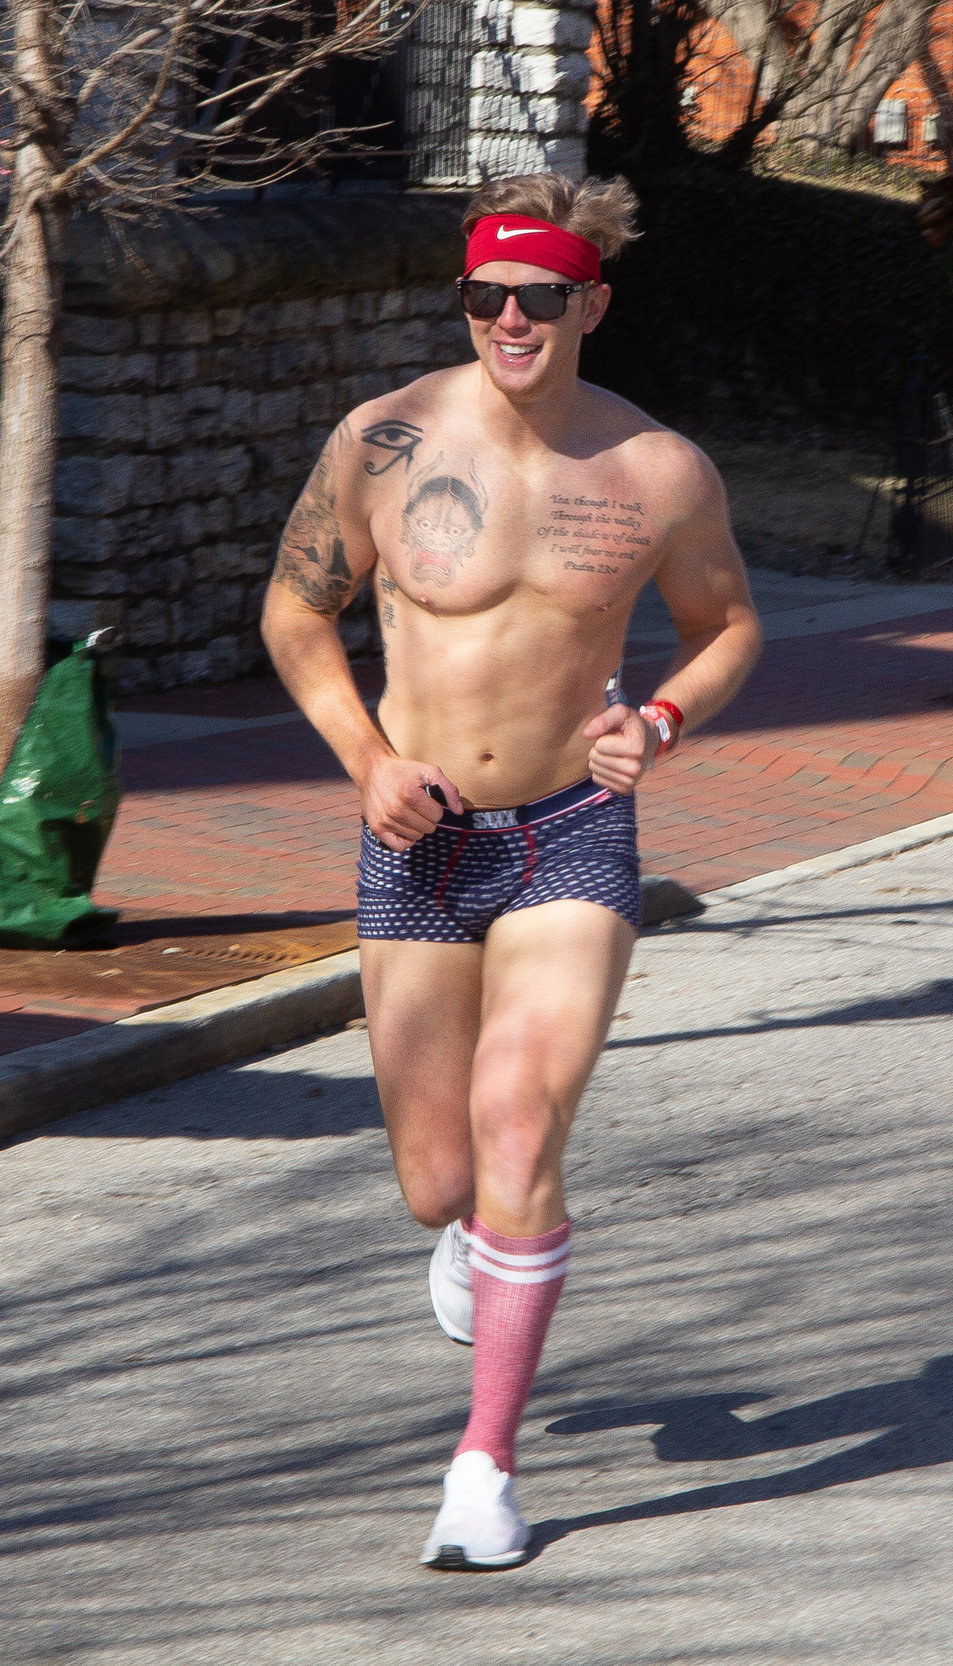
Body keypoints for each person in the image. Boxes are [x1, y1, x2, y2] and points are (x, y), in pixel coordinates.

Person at [260, 174, 763, 1568]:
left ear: (590, 301)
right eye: (487, 295)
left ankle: (483, 1466)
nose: (511, 320)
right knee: (440, 1179)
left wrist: (656, 718)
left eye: (539, 296)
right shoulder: (386, 440)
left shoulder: (658, 470)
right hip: (417, 843)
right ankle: (477, 1234)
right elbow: (299, 611)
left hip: (567, 834)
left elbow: (727, 628)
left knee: (521, 1121)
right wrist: (366, 760)